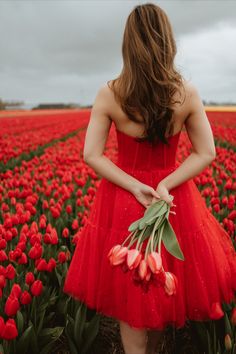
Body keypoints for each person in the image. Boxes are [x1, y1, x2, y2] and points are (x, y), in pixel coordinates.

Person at [63, 3, 236, 354]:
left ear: (128, 45)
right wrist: (167, 183)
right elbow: (206, 152)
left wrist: (131, 184)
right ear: (168, 43)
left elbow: (91, 154)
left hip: (125, 198)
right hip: (171, 200)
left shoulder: (110, 93)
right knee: (162, 287)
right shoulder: (185, 93)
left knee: (134, 295)